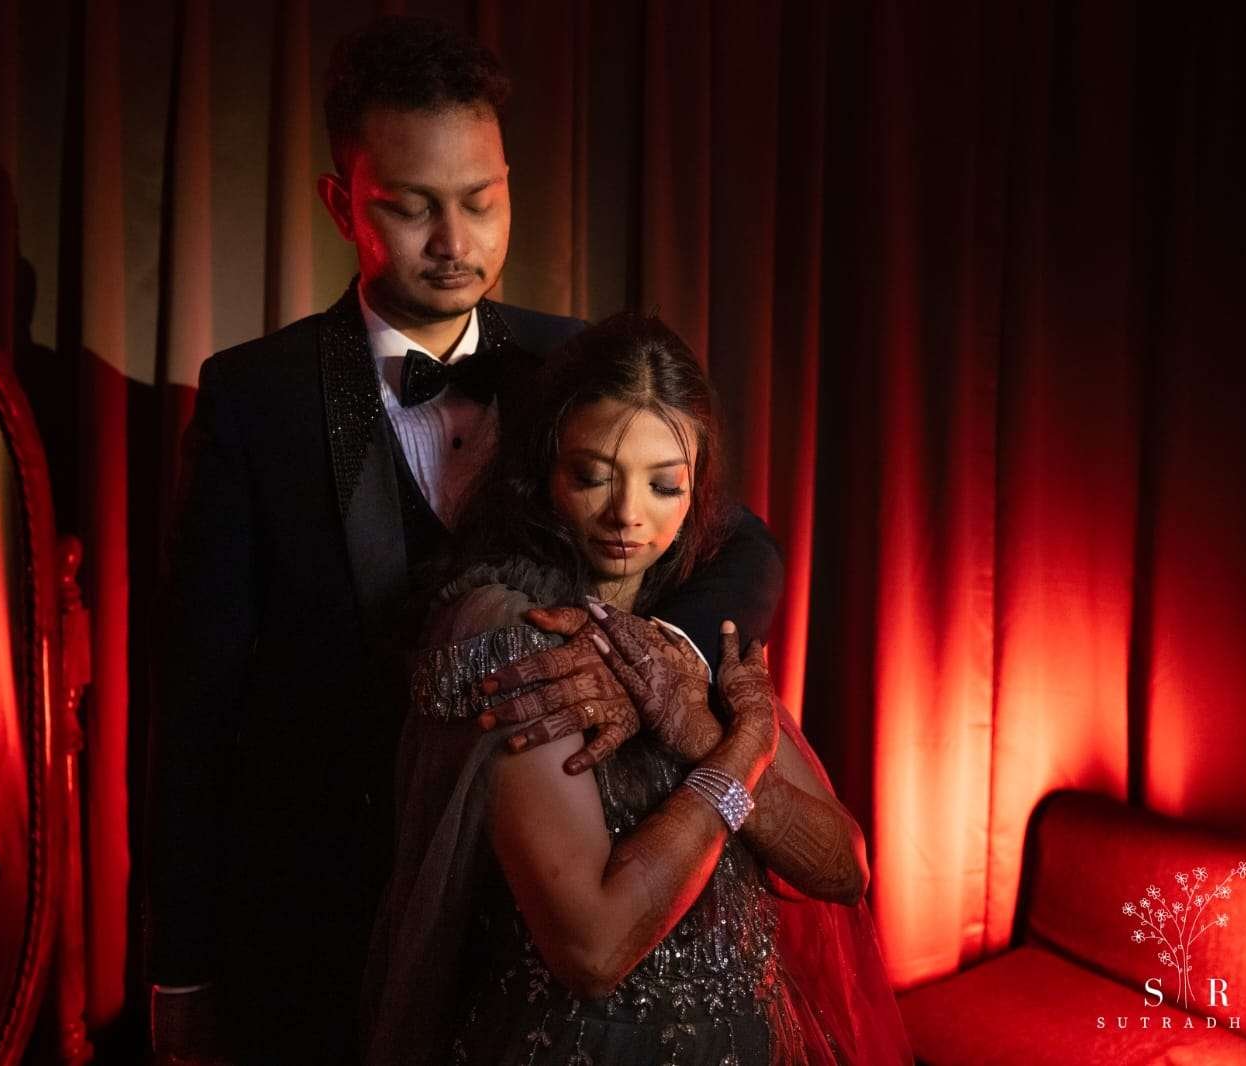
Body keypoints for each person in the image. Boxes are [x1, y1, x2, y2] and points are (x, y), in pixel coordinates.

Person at [146, 17, 784, 1064]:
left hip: (536, 924)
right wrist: (182, 965)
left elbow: (745, 546)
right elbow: (197, 704)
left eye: (480, 200)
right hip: (327, 917)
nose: (454, 240)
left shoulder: (577, 361)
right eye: (411, 206)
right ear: (341, 203)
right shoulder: (254, 398)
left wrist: (660, 654)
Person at [366, 313, 911, 1065]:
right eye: (593, 476)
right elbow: (592, 948)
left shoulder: (692, 625)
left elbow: (844, 870)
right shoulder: (514, 629)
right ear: (544, 471)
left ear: (697, 490)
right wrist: (737, 752)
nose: (628, 515)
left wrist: (700, 732)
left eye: (663, 486)